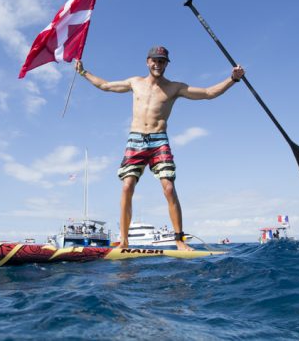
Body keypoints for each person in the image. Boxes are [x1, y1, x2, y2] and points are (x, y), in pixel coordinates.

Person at [75, 45, 245, 251]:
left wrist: (233, 79)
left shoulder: (174, 88)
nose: (157, 64)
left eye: (162, 61)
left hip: (159, 140)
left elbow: (208, 93)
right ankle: (125, 240)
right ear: (148, 62)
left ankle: (179, 239)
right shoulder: (135, 82)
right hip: (135, 140)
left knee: (169, 188)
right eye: (154, 60)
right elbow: (105, 85)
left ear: (166, 64)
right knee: (127, 186)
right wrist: (84, 72)